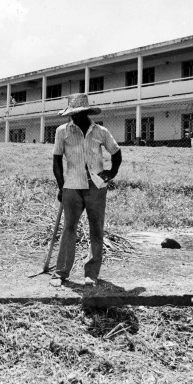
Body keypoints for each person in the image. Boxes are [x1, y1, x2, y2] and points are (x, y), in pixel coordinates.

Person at [51, 93, 122, 287]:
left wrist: (112, 172)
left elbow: (116, 152)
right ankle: (61, 272)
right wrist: (61, 186)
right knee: (69, 228)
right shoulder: (62, 131)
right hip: (72, 186)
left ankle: (91, 273)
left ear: (86, 113)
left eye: (77, 114)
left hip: (96, 187)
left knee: (96, 230)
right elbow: (57, 159)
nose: (73, 117)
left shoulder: (100, 132)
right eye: (71, 114)